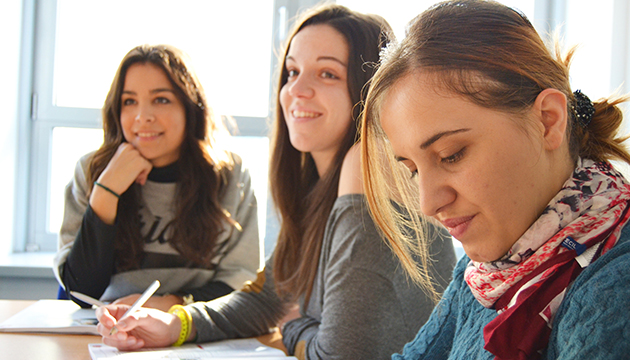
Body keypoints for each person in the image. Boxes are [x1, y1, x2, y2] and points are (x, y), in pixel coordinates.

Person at [94, 4, 457, 359]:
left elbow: (340, 353)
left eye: (327, 74)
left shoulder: (367, 163)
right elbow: (268, 297)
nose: (297, 90)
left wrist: (294, 327)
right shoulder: (317, 185)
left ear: (367, 88)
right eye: (292, 72)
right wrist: (176, 325)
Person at [361, 0, 630, 359]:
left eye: (451, 154)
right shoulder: (488, 269)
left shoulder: (613, 289)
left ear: (548, 120)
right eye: (412, 169)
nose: (428, 203)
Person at [53, 44, 261, 312]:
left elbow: (241, 281)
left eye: (161, 99)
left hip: (197, 328)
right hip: (106, 330)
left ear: (190, 107)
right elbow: (81, 293)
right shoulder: (91, 170)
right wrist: (106, 192)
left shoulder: (230, 175)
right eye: (129, 101)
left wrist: (170, 304)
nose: (142, 117)